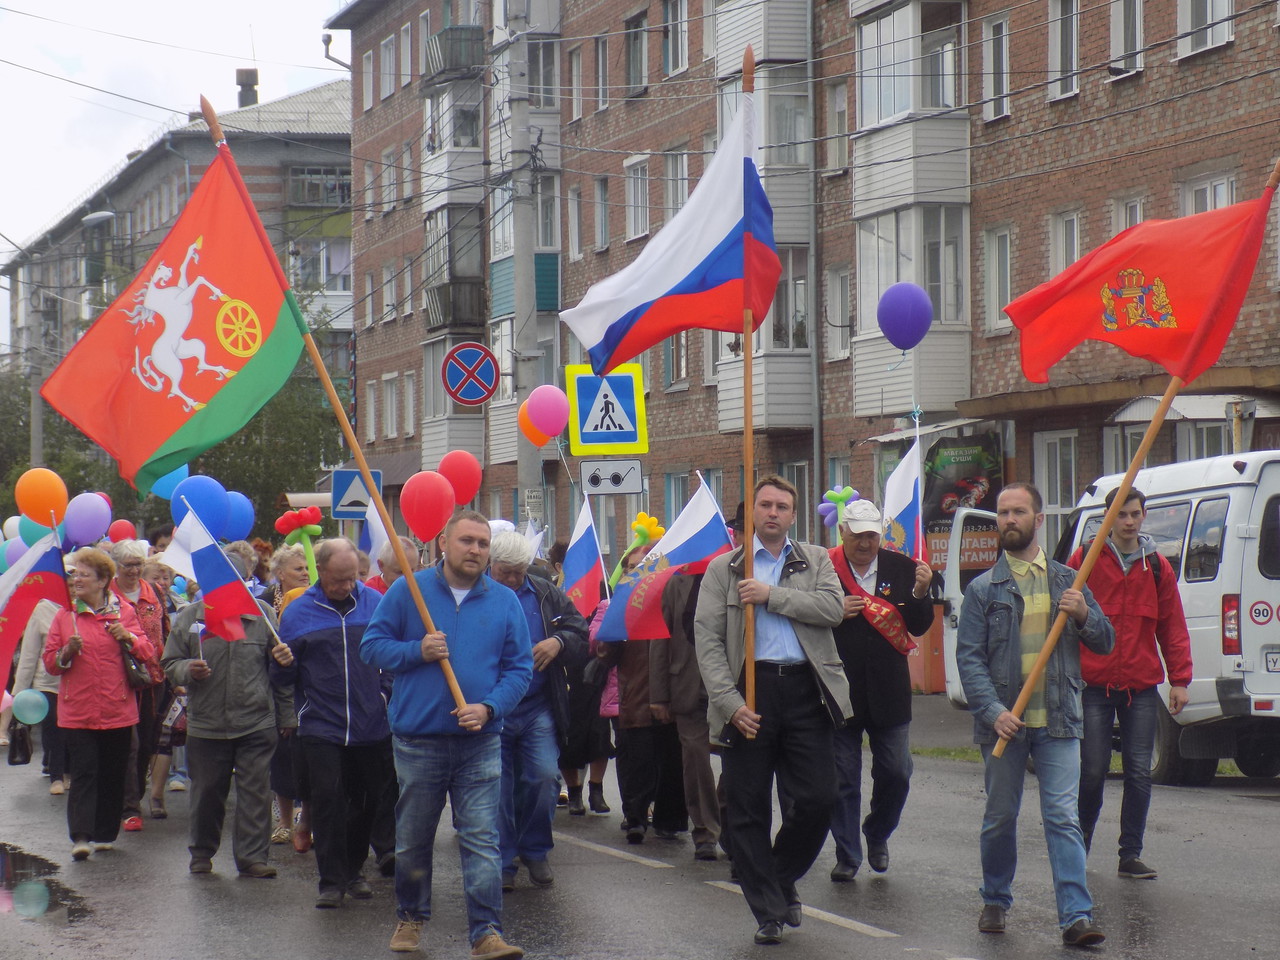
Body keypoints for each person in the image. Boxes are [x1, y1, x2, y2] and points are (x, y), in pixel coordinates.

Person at [361, 510, 532, 959]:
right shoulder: (408, 591)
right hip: (419, 740)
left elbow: (519, 669)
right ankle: (411, 918)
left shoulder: (504, 601)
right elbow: (371, 647)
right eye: (466, 541)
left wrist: (489, 706)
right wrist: (416, 650)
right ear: (443, 543)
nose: (475, 549)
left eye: (482, 542)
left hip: (480, 739)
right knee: (414, 837)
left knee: (481, 838)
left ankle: (486, 933)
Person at [956, 482, 1115, 948]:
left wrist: (1085, 614)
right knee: (1000, 816)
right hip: (1006, 723)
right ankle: (995, 899)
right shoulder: (983, 590)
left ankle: (1076, 918)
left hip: (1060, 720)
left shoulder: (1071, 581)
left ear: (1037, 519)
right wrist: (993, 711)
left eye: (1018, 512)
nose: (1008, 519)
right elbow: (970, 660)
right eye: (1002, 513)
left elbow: (1105, 642)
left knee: (1063, 818)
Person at [694, 476, 851, 946]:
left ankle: (779, 876)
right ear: (751, 513)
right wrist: (730, 703)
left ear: (792, 514)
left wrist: (771, 596)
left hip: (806, 690)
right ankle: (767, 910)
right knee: (746, 809)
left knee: (820, 798)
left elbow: (833, 609)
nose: (773, 513)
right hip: (749, 693)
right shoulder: (725, 569)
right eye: (765, 504)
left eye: (782, 506)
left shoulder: (815, 558)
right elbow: (708, 642)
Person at [1068, 486, 1193, 880]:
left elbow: (1172, 626)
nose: (1128, 522)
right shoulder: (1083, 559)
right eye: (1120, 515)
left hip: (1140, 684)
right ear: (1107, 518)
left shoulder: (1157, 565)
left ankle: (1130, 855)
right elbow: (1060, 612)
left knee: (1139, 771)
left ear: (1144, 516)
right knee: (1092, 770)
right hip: (1093, 684)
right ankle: (1079, 848)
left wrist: (1180, 680)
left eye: (1135, 514)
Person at [272, 538, 394, 908]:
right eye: (338, 579)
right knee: (327, 801)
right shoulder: (297, 612)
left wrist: (385, 696)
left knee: (369, 801)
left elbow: (392, 655)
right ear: (320, 571)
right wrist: (280, 662)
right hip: (321, 726)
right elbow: (283, 680)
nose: (345, 586)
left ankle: (354, 870)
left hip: (372, 724)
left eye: (352, 578)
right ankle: (330, 879)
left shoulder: (376, 605)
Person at [162, 549, 295, 878]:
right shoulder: (192, 618)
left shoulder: (262, 615)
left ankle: (252, 858)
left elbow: (279, 670)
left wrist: (287, 714)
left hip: (255, 721)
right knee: (207, 792)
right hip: (207, 724)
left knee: (255, 792)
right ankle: (202, 852)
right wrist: (187, 669)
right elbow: (169, 663)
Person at [826, 500, 934, 881]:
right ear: (843, 533)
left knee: (897, 772)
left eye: (872, 535)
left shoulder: (903, 569)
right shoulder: (825, 568)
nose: (865, 543)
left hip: (889, 693)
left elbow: (918, 628)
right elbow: (807, 617)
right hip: (840, 690)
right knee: (842, 778)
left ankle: (877, 832)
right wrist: (832, 610)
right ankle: (847, 854)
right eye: (857, 535)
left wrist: (922, 594)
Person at [487, 531, 589, 889]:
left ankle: (535, 850)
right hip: (492, 708)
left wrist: (558, 641)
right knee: (497, 788)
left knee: (545, 777)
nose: (514, 580)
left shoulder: (546, 593)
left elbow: (581, 631)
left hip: (537, 706)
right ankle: (502, 862)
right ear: (491, 566)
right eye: (506, 573)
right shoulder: (475, 594)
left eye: (520, 571)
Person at [43, 547, 154, 862]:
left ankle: (105, 833)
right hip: (77, 710)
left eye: (84, 574)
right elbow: (50, 662)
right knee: (84, 772)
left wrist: (128, 637)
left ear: (104, 580)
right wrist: (66, 652)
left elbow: (146, 651)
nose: (76, 579)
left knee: (113, 772)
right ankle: (80, 836)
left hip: (118, 708)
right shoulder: (65, 616)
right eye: (75, 573)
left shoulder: (124, 612)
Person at [653, 571, 721, 861]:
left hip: (732, 685)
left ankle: (731, 823)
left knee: (740, 761)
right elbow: (661, 636)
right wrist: (659, 695)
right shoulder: (675, 582)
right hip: (687, 684)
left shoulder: (740, 573)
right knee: (695, 759)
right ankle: (705, 831)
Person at [110, 539, 168, 834]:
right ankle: (129, 806)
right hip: (119, 680)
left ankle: (135, 794)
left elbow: (165, 631)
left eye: (138, 564)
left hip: (153, 679)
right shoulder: (107, 596)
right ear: (115, 567)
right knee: (129, 745)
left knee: (147, 743)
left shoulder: (155, 592)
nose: (133, 570)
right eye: (127, 565)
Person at [260, 542, 314, 850]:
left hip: (306, 685)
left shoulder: (315, 598)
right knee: (281, 756)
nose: (305, 573)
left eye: (307, 568)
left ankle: (306, 819)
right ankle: (282, 821)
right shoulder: (265, 603)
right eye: (298, 568)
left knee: (305, 758)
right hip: (277, 684)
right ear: (280, 573)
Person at [13, 599, 68, 794]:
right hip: (47, 683)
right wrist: (18, 695)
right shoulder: (42, 609)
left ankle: (67, 769)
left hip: (75, 684)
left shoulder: (84, 608)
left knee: (72, 730)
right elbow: (29, 654)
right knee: (54, 726)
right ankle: (57, 776)